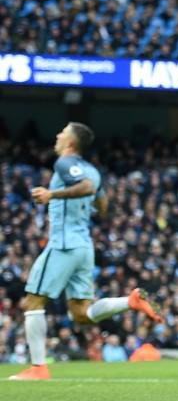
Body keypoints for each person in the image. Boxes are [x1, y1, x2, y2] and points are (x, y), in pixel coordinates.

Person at [9, 123, 163, 381]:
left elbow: (87, 188)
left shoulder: (64, 163)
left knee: (32, 302)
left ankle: (38, 368)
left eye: (63, 133)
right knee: (81, 314)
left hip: (63, 244)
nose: (57, 135)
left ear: (71, 143)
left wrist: (51, 194)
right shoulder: (92, 169)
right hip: (83, 246)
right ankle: (130, 302)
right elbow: (102, 205)